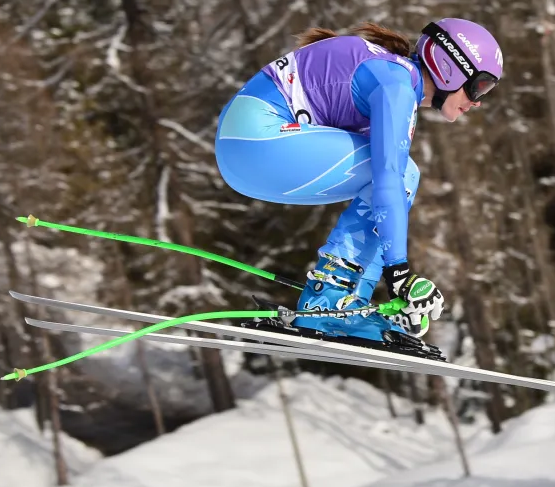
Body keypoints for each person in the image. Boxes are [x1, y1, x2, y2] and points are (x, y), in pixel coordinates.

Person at [214, 18, 504, 346]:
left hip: (246, 151)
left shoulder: (395, 80)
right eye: (479, 85)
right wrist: (400, 275)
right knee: (398, 175)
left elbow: (383, 196)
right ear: (449, 67)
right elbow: (388, 180)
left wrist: (391, 288)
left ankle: (348, 302)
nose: (478, 100)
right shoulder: (395, 83)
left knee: (400, 178)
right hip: (256, 142)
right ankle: (331, 297)